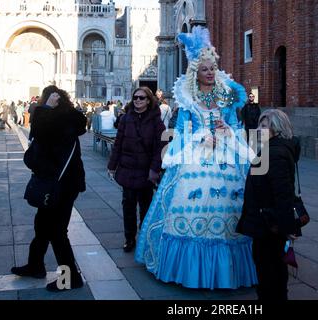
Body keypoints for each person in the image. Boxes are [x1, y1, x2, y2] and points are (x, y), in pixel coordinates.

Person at [134, 26, 257, 289]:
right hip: (195, 160)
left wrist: (228, 132)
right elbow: (179, 132)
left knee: (231, 213)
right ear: (195, 72)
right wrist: (200, 137)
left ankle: (231, 270)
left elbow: (236, 128)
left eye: (213, 67)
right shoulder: (188, 99)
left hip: (226, 161)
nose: (210, 72)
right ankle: (192, 271)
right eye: (205, 69)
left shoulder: (226, 96)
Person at [11, 85, 87, 291]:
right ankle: (35, 265)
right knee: (42, 226)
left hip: (63, 184)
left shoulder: (62, 121)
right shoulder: (59, 120)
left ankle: (71, 277)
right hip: (54, 182)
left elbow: (39, 131)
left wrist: (44, 108)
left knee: (57, 231)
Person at [236, 109, 300, 301]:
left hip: (269, 222)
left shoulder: (275, 154)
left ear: (276, 129)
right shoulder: (273, 149)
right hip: (267, 220)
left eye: (264, 126)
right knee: (271, 266)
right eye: (259, 125)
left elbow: (283, 194)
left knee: (268, 268)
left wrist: (286, 227)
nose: (259, 129)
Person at [107, 87, 166, 252]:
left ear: (148, 100)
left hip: (145, 170)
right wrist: (112, 165)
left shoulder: (156, 121)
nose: (138, 100)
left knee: (145, 206)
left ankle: (145, 237)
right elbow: (118, 143)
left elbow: (160, 147)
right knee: (128, 205)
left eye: (141, 98)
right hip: (127, 168)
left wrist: (154, 169)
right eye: (135, 98)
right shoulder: (126, 119)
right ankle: (129, 238)